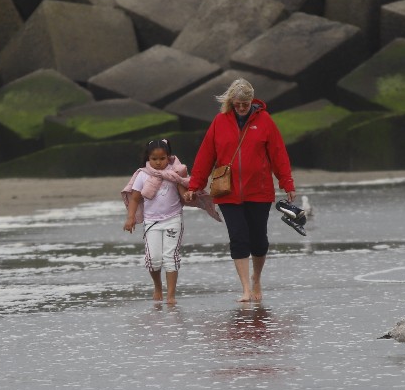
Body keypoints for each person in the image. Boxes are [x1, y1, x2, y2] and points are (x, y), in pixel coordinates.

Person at [186, 79, 296, 303]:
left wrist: (287, 183)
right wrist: (194, 185)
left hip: (259, 191)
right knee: (238, 238)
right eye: (238, 104)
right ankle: (246, 288)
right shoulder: (219, 122)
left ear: (251, 101)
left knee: (259, 241)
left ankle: (257, 279)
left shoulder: (265, 121)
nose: (242, 108)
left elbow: (278, 154)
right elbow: (206, 155)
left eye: (245, 104)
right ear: (231, 102)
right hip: (227, 192)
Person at [122, 137, 192, 303]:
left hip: (173, 219)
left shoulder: (175, 174)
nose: (158, 162)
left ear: (168, 156)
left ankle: (171, 295)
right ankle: (158, 287)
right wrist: (130, 218)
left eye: (162, 158)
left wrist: (189, 195)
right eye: (154, 159)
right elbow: (135, 198)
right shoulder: (142, 175)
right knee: (153, 259)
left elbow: (183, 193)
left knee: (170, 257)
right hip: (151, 222)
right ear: (148, 158)